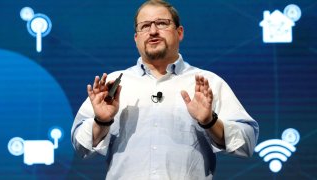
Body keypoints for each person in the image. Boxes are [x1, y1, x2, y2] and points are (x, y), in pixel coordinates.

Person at [71, 0, 259, 179]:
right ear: (136, 38)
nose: (153, 31)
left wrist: (210, 122)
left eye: (161, 23)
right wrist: (101, 121)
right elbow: (80, 146)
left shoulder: (206, 82)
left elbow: (247, 143)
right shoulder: (112, 85)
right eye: (144, 26)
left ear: (180, 32)